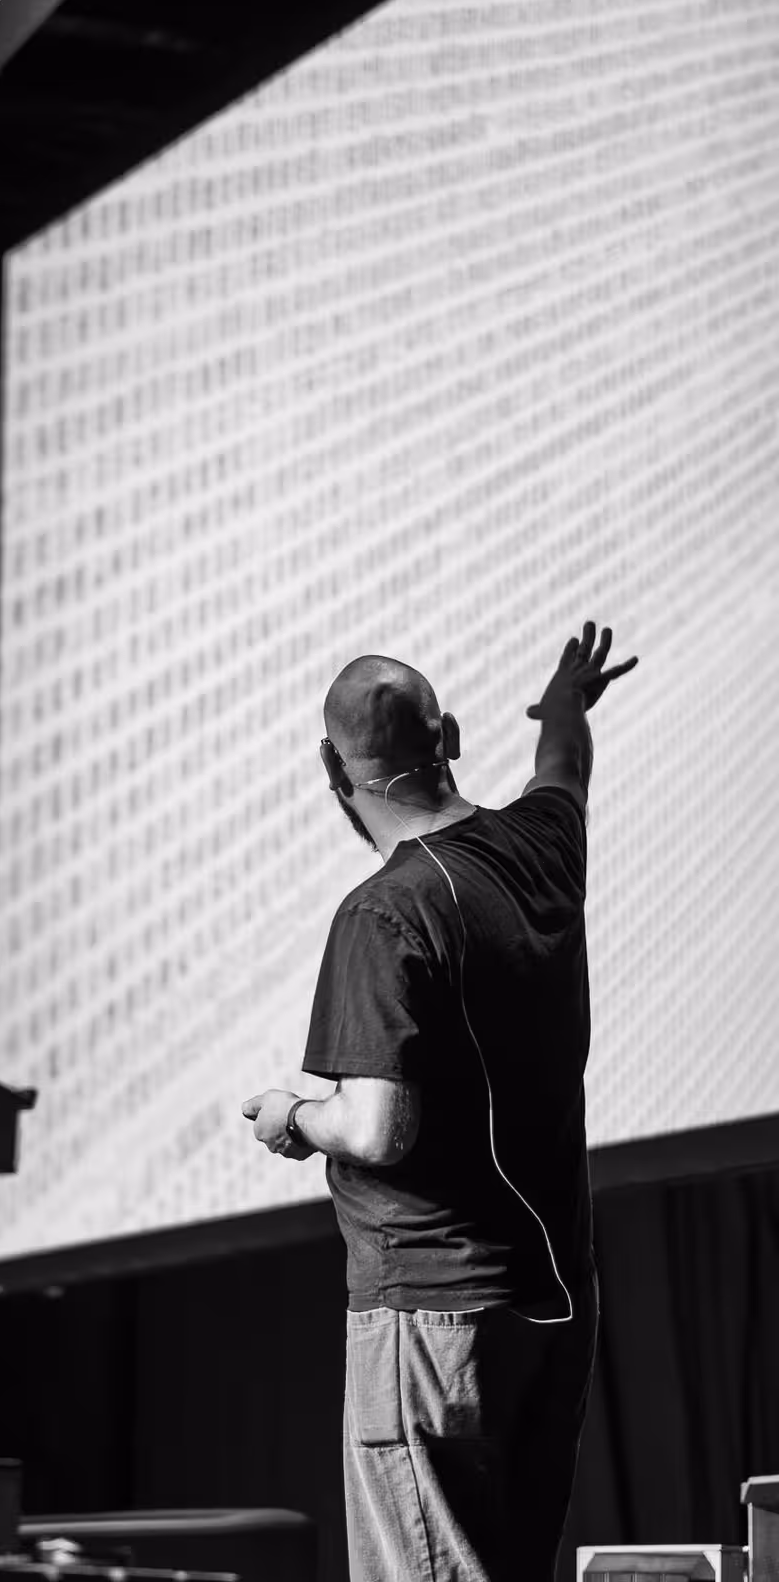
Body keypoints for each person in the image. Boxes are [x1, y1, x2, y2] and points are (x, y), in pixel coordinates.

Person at [243, 623, 638, 1582]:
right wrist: (565, 709)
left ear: (329, 767)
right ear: (452, 733)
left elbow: (378, 1128)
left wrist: (291, 1116)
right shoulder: (541, 846)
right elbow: (562, 771)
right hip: (552, 1313)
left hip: (432, 1323)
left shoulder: (382, 914)